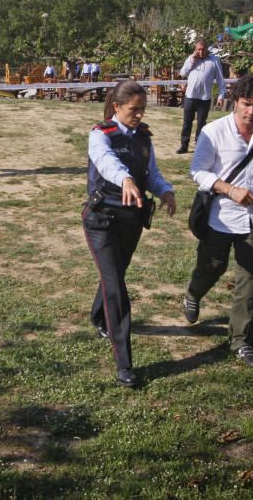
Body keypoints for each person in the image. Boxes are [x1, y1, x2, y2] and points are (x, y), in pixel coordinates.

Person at [182, 73, 253, 367]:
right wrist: (229, 190)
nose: (251, 111)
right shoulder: (213, 132)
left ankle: (241, 341)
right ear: (234, 102)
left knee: (249, 282)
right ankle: (193, 292)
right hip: (220, 217)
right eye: (246, 104)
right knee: (212, 268)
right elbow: (198, 171)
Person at [84, 80, 176, 388]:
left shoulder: (143, 137)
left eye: (142, 110)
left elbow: (152, 173)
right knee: (116, 288)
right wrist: (124, 179)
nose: (138, 115)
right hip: (102, 220)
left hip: (132, 219)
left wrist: (165, 191)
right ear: (117, 107)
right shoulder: (100, 135)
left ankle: (99, 317)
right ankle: (125, 363)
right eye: (133, 110)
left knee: (116, 274)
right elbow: (106, 163)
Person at [178, 38, 227, 154]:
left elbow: (220, 79)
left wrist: (221, 95)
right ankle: (184, 145)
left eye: (203, 49)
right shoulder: (191, 59)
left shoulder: (214, 60)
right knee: (187, 122)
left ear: (207, 49)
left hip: (204, 98)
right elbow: (183, 73)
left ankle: (198, 146)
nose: (200, 52)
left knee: (201, 123)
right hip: (190, 96)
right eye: (198, 49)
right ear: (195, 50)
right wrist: (192, 61)